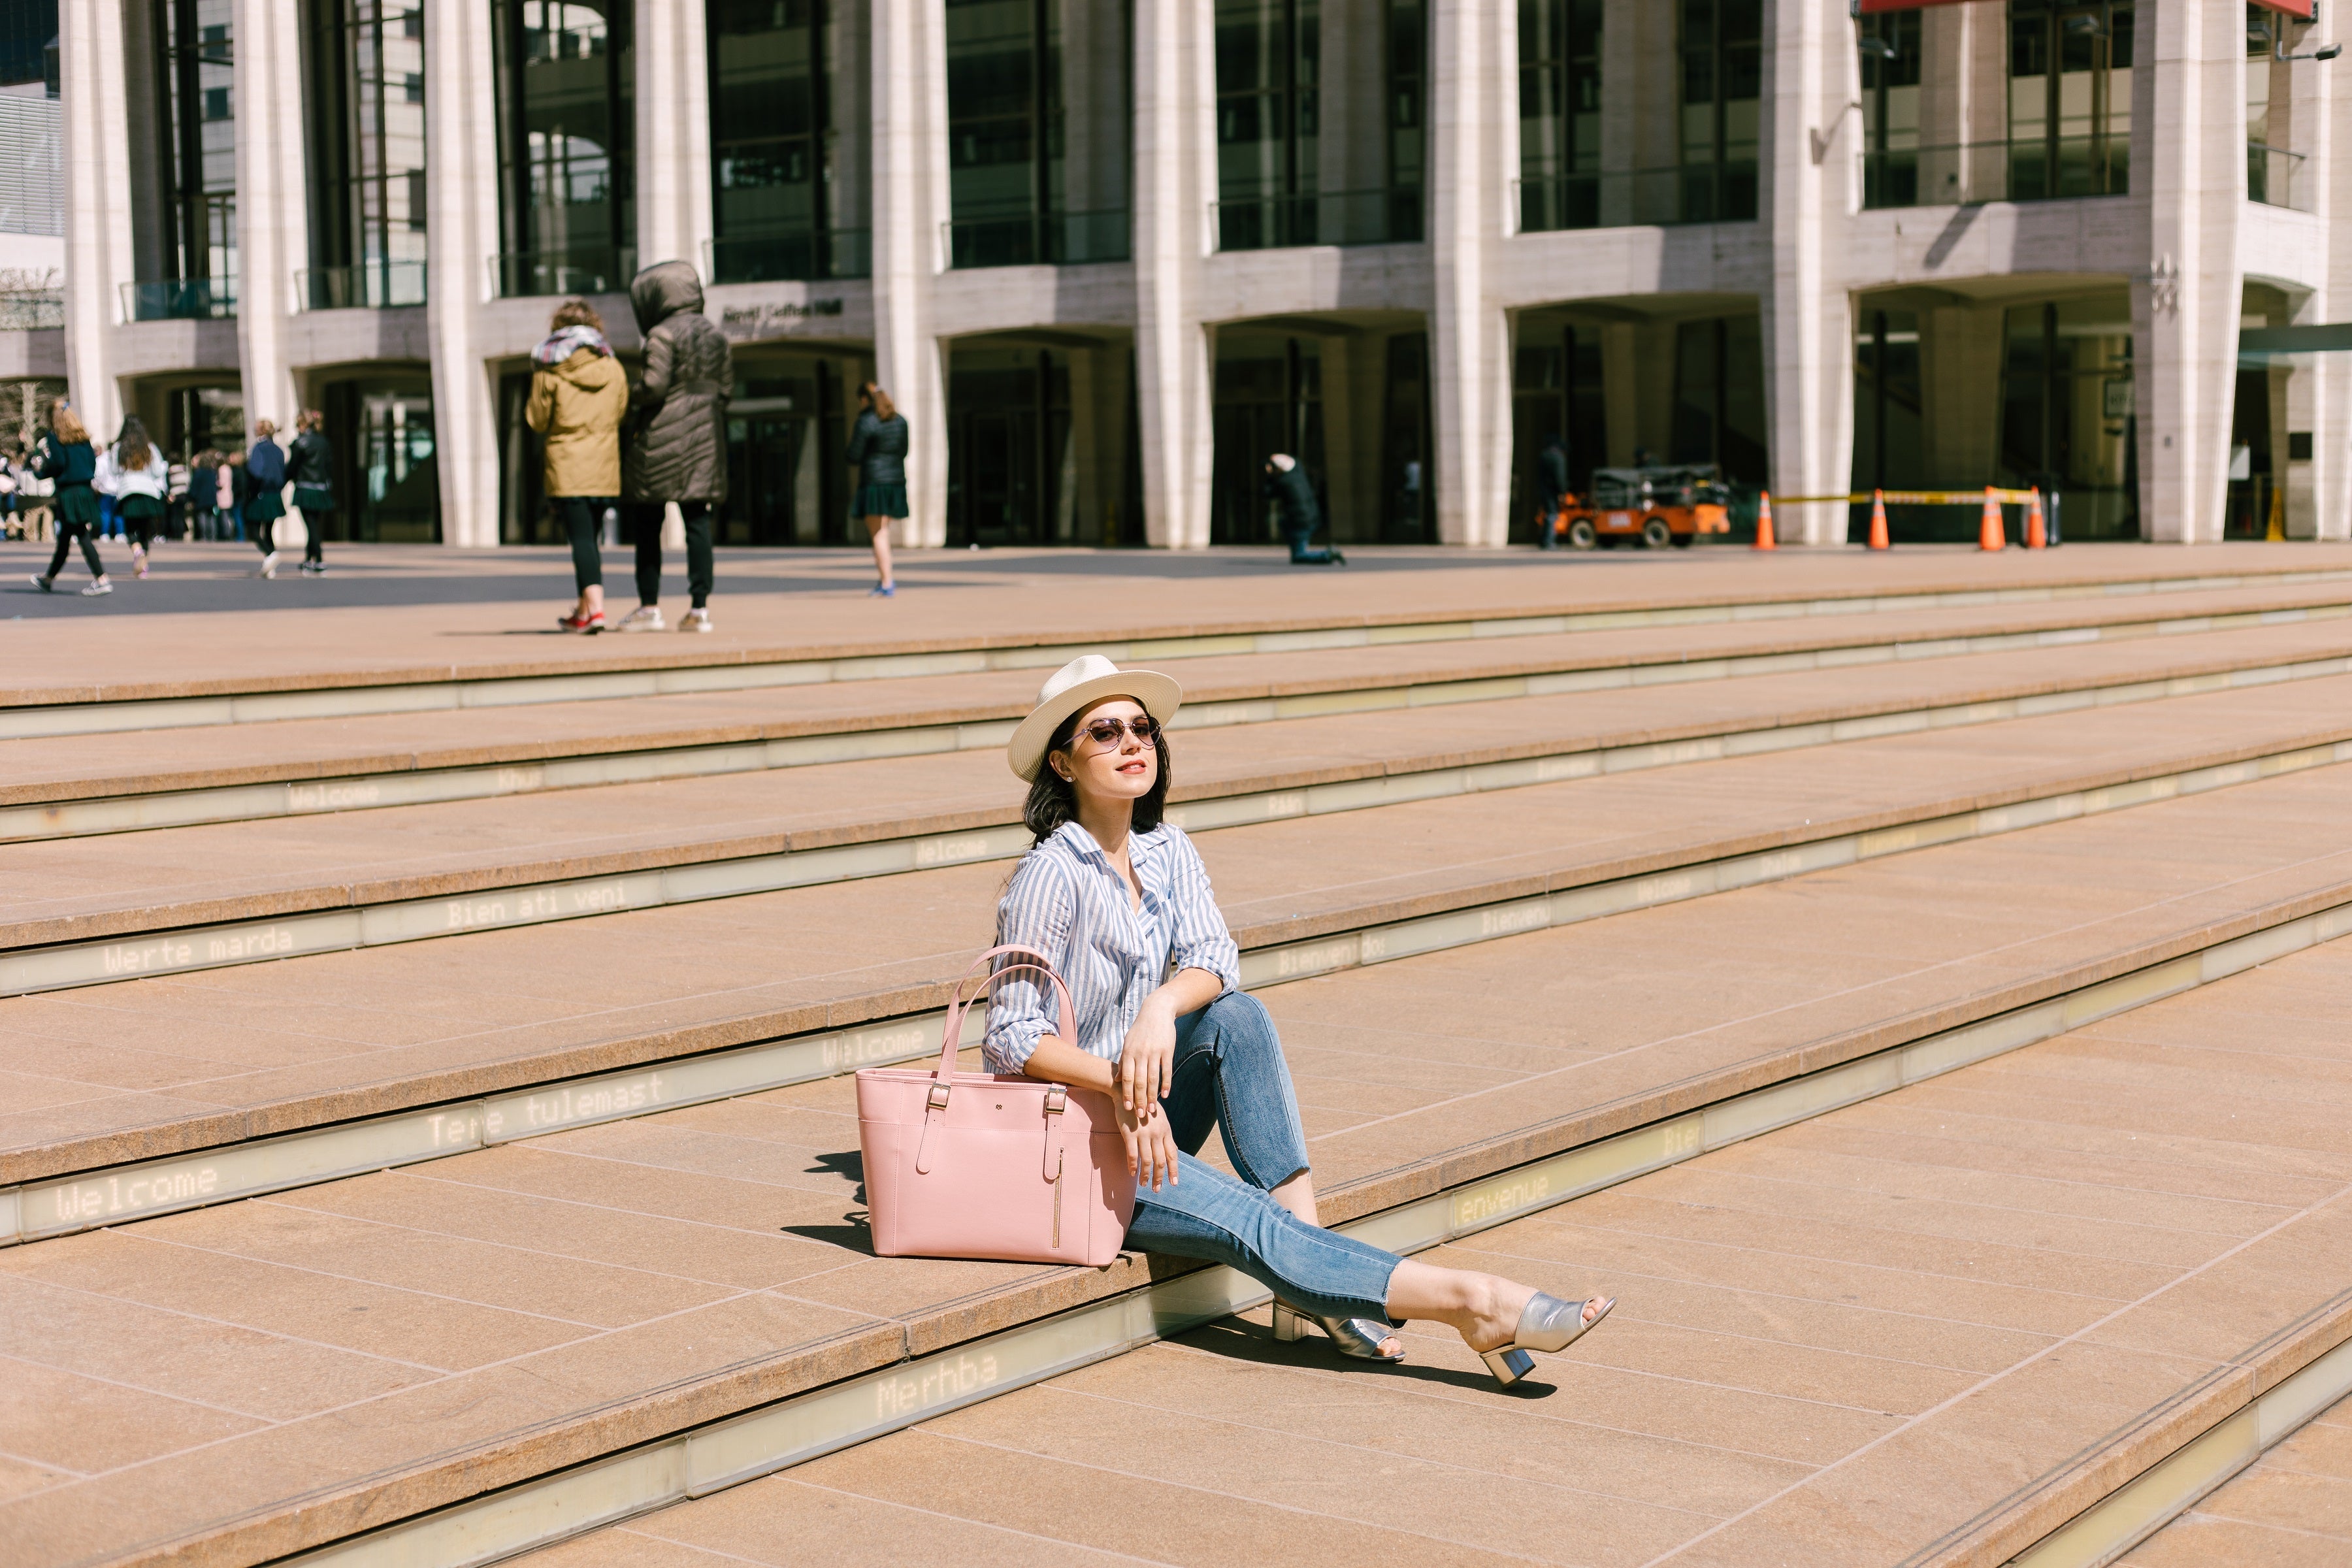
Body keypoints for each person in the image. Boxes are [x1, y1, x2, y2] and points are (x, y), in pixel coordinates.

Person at [986, 653, 1616, 1382]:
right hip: (1070, 1147)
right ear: (1062, 764)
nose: (1134, 743)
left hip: (1144, 1114)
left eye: (1143, 728)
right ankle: (1476, 1302)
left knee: (1237, 1017)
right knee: (1255, 1223)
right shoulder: (1049, 875)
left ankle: (1310, 1281)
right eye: (1105, 732)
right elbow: (1010, 1036)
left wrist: (1162, 1007)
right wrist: (1120, 1086)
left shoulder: (1166, 850)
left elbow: (1215, 957)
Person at [616, 261, 730, 633]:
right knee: (698, 522)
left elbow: (654, 386)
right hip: (704, 441)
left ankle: (649, 607)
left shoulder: (661, 335)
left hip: (661, 441)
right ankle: (700, 609)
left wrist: (628, 395)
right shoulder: (717, 336)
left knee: (649, 524)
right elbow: (726, 391)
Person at [525, 297, 628, 632]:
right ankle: (583, 613)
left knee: (581, 539)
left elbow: (537, 421)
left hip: (568, 463)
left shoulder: (549, 368)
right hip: (603, 462)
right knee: (591, 538)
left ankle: (596, 611)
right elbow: (620, 412)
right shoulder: (613, 366)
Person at [27, 401, 110, 596]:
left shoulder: (55, 437)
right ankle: (48, 579)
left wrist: (42, 469)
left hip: (68, 493)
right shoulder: (82, 437)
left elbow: (59, 463)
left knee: (80, 534)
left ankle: (102, 579)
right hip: (84, 491)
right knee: (66, 537)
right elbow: (92, 464)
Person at [846, 382, 907, 596]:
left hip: (874, 483)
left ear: (864, 399)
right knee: (884, 531)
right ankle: (886, 578)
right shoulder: (900, 421)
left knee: (878, 534)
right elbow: (904, 451)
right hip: (895, 482)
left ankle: (887, 581)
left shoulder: (866, 421)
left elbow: (853, 455)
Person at [95, 416, 169, 578]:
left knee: (130, 529)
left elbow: (114, 471)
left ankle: (137, 551)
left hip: (128, 490)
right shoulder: (150, 447)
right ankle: (144, 567)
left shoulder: (119, 448)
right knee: (144, 531)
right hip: (149, 492)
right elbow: (158, 471)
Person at [1262, 453, 1344, 565]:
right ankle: (1299, 546)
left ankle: (1328, 554)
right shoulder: (1297, 472)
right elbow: (1295, 462)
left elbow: (1268, 493)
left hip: (1300, 522)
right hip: (1311, 516)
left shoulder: (1284, 482)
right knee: (1283, 523)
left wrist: (1269, 475)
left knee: (1299, 556)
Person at [286, 410, 335, 575]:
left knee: (311, 526)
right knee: (313, 524)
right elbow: (329, 465)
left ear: (303, 424)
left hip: (305, 487)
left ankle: (319, 559)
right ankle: (309, 559)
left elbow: (292, 467)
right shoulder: (324, 442)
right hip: (320, 487)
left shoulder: (301, 443)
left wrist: (283, 481)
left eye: (298, 424)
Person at [244, 419, 287, 577]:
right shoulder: (278, 450)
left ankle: (271, 554)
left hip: (260, 493)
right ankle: (271, 566)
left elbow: (255, 471)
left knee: (253, 530)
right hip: (274, 493)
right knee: (268, 530)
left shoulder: (258, 449)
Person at [1535, 436, 1570, 550]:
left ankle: (1543, 539)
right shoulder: (1558, 458)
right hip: (1552, 491)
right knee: (1552, 515)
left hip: (1543, 489)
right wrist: (1563, 491)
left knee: (1545, 514)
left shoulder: (1544, 456)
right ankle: (1549, 541)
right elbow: (1560, 477)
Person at [165, 448, 189, 540]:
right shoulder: (184, 469)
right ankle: (181, 535)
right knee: (181, 515)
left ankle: (176, 535)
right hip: (183, 494)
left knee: (175, 516)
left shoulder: (171, 470)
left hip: (174, 495)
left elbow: (168, 484)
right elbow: (188, 481)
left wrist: (169, 494)